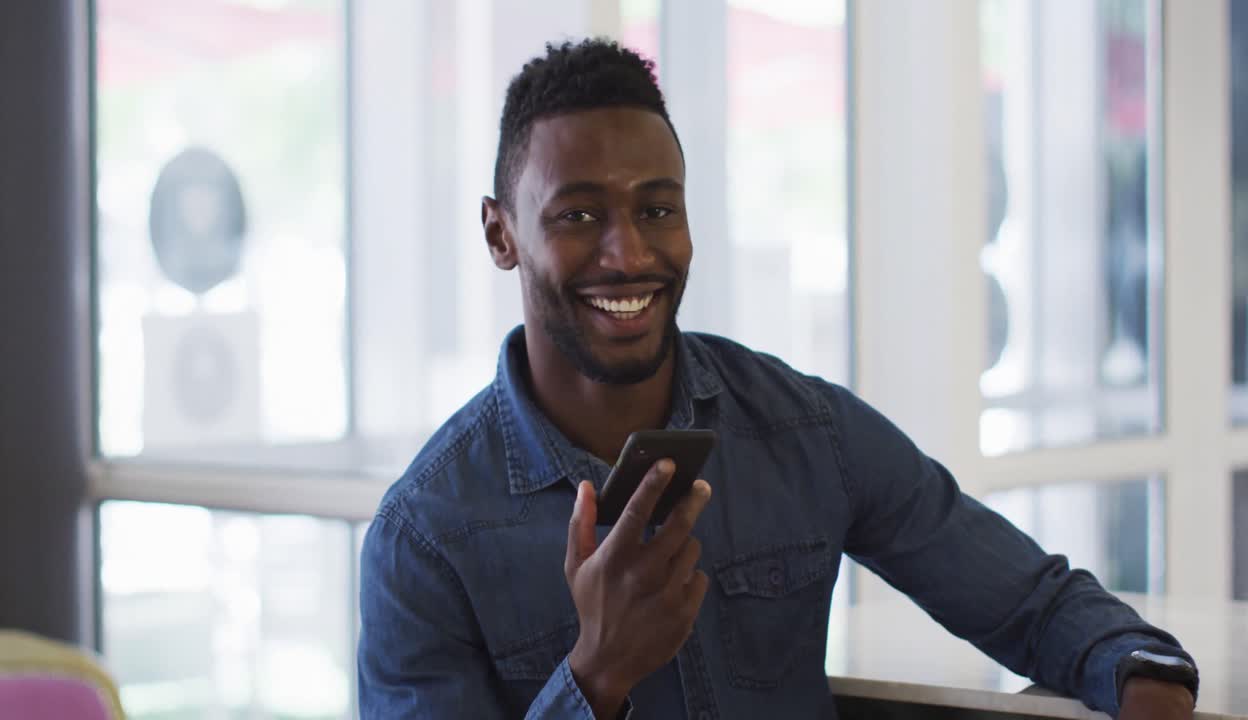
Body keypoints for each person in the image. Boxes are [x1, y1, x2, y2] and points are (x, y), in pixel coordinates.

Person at [358, 39, 1199, 720]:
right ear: (500, 234)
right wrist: (595, 676)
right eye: (578, 215)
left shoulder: (806, 432)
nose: (630, 254)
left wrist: (1140, 675)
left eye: (657, 209)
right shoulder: (425, 537)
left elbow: (1034, 605)